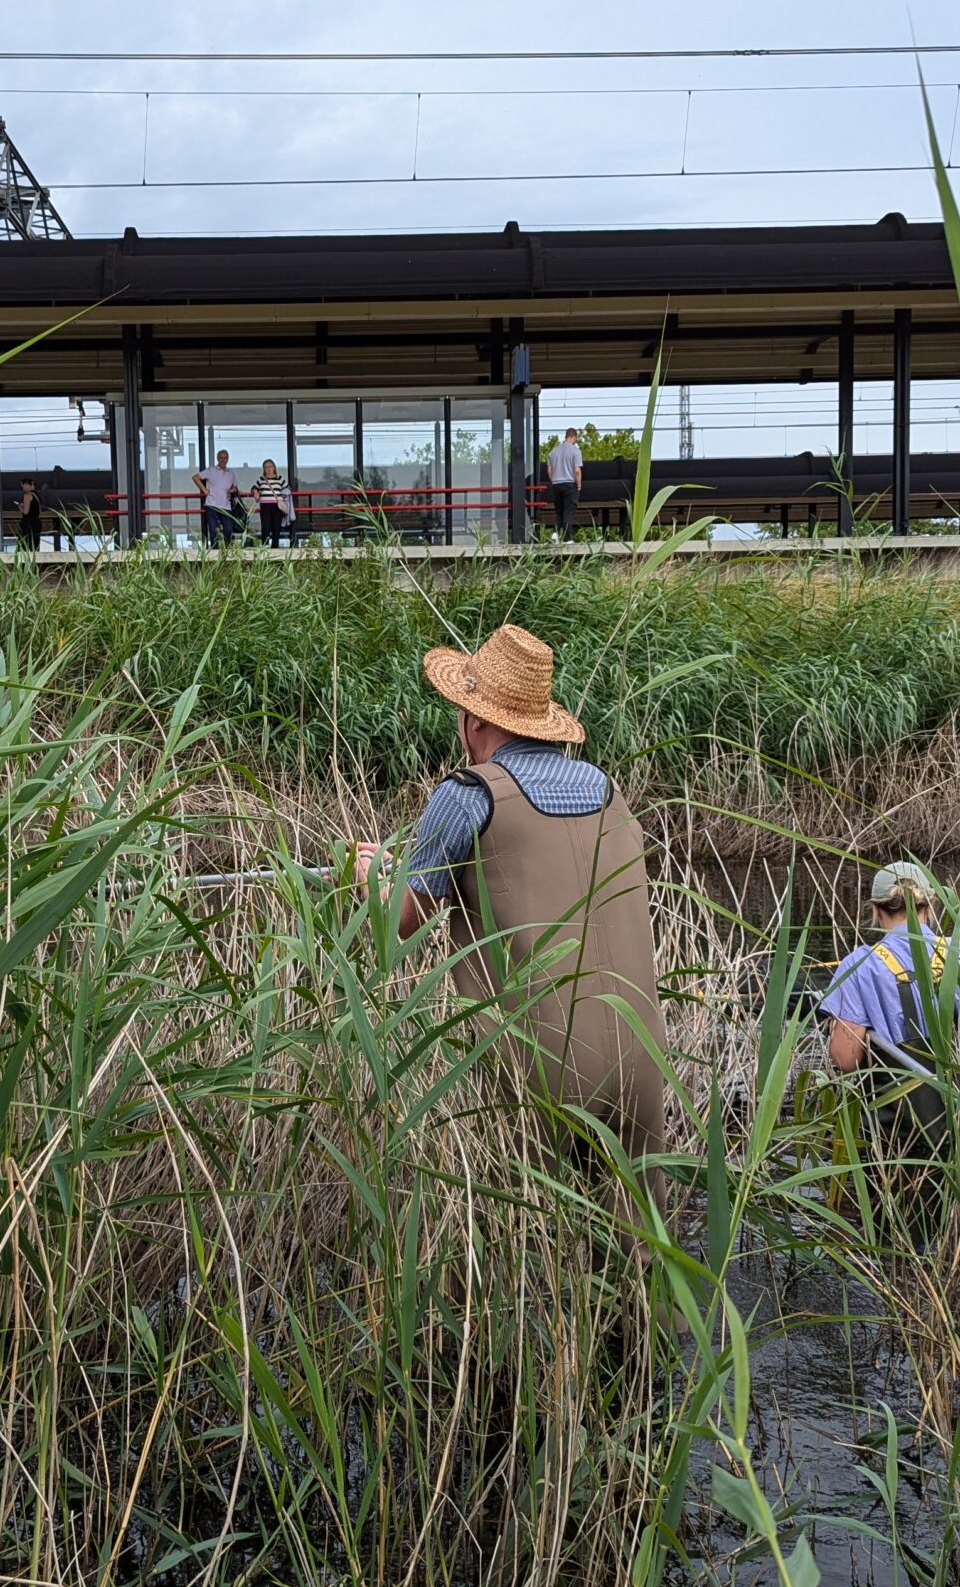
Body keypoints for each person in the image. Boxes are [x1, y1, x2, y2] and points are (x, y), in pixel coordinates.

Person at [355, 624, 666, 1154]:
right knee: (635, 1231)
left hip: (540, 1067)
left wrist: (367, 880)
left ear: (474, 720)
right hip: (643, 1058)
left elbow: (397, 930)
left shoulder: (466, 794)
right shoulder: (605, 789)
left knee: (534, 1228)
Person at [817, 860, 960, 1172]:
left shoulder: (860, 965)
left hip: (903, 1145)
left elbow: (846, 1060)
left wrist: (836, 1024)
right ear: (930, 905)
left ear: (876, 910)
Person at [196, 448, 240, 548]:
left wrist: (233, 490)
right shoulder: (211, 470)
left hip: (226, 506)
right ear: (217, 459)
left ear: (228, 459)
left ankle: (228, 552)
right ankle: (215, 554)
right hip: (212, 505)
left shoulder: (231, 472)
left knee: (228, 529)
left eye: (225, 458)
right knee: (213, 531)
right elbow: (195, 477)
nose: (223, 460)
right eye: (221, 457)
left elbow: (235, 487)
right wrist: (205, 490)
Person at [544, 427, 585, 537]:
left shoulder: (553, 452)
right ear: (573, 437)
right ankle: (567, 538)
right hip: (570, 484)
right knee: (569, 511)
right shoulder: (575, 451)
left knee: (559, 511)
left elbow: (549, 470)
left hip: (556, 484)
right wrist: (579, 484)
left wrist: (554, 480)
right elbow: (577, 471)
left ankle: (555, 533)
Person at [251, 457, 291, 547]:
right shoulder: (261, 479)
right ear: (264, 469)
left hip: (277, 506)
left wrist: (282, 495)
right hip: (265, 506)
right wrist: (255, 492)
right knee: (265, 528)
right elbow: (254, 487)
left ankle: (275, 549)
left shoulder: (280, 478)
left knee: (276, 528)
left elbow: (288, 488)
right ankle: (264, 547)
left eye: (270, 466)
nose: (268, 469)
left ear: (274, 467)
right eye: (266, 467)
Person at [16, 477, 44, 551]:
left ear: (27, 485)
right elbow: (38, 510)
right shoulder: (37, 496)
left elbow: (26, 512)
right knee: (34, 547)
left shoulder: (27, 495)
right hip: (37, 523)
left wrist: (20, 507)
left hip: (28, 524)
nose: (23, 488)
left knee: (23, 547)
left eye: (23, 486)